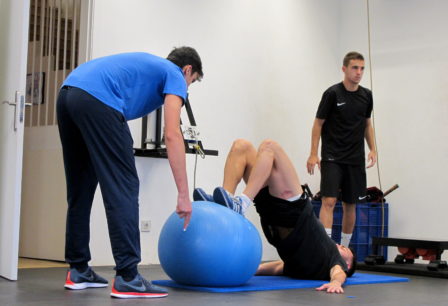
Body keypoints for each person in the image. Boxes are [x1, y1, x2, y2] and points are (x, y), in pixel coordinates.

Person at [57, 47, 203, 299]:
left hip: (68, 93)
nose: (186, 89)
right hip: (98, 99)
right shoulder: (175, 74)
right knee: (123, 187)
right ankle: (128, 277)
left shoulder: (150, 67)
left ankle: (78, 269)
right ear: (188, 70)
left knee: (80, 188)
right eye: (192, 82)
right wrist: (183, 194)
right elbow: (172, 134)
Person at [193, 139, 356, 294]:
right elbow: (276, 268)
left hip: (291, 214)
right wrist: (250, 269)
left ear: (347, 264)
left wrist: (336, 283)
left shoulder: (334, 261)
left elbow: (337, 273)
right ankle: (226, 206)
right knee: (241, 146)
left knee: (269, 146)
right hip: (284, 209)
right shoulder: (304, 265)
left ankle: (240, 203)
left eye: (346, 249)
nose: (341, 246)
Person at [306, 51, 377, 248]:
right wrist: (313, 153)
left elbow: (367, 125)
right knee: (329, 201)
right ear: (344, 69)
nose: (359, 72)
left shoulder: (366, 96)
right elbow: (318, 124)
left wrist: (372, 149)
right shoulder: (332, 94)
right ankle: (327, 247)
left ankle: (345, 248)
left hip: (355, 159)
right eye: (355, 68)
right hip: (333, 157)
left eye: (362, 68)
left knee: (350, 204)